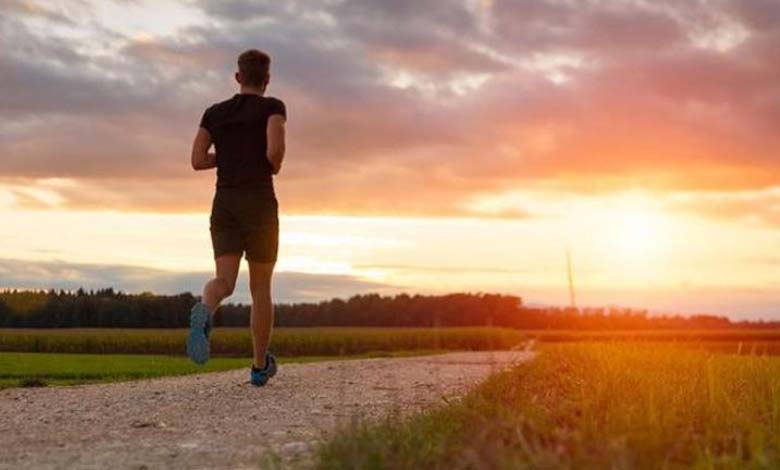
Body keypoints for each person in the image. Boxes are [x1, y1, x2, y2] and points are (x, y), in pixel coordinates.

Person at [186, 49, 287, 387]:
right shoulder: (273, 107)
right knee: (260, 289)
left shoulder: (214, 113)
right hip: (259, 204)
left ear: (238, 77)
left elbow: (198, 160)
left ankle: (206, 308)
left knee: (224, 283)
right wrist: (268, 162)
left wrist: (228, 155)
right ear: (267, 79)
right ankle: (259, 366)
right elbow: (274, 151)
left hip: (225, 205)